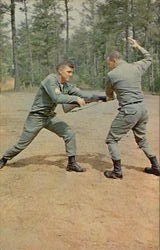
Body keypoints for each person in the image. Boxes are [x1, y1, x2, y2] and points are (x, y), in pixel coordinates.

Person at [0, 62, 102, 172]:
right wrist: (75, 99)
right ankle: (4, 158)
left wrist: (102, 97)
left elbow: (82, 94)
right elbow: (56, 98)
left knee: (69, 134)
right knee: (22, 144)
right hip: (36, 117)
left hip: (50, 117)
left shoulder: (66, 85)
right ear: (60, 70)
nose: (71, 74)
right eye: (68, 72)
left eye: (72, 72)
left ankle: (71, 164)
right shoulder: (50, 80)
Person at [104, 37, 160, 179]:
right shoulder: (136, 67)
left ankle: (117, 172)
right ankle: (156, 167)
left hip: (129, 111)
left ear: (114, 60)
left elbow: (109, 95)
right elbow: (148, 57)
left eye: (108, 63)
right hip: (142, 109)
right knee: (142, 140)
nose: (108, 66)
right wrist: (137, 46)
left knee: (111, 140)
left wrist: (111, 96)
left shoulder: (111, 75)